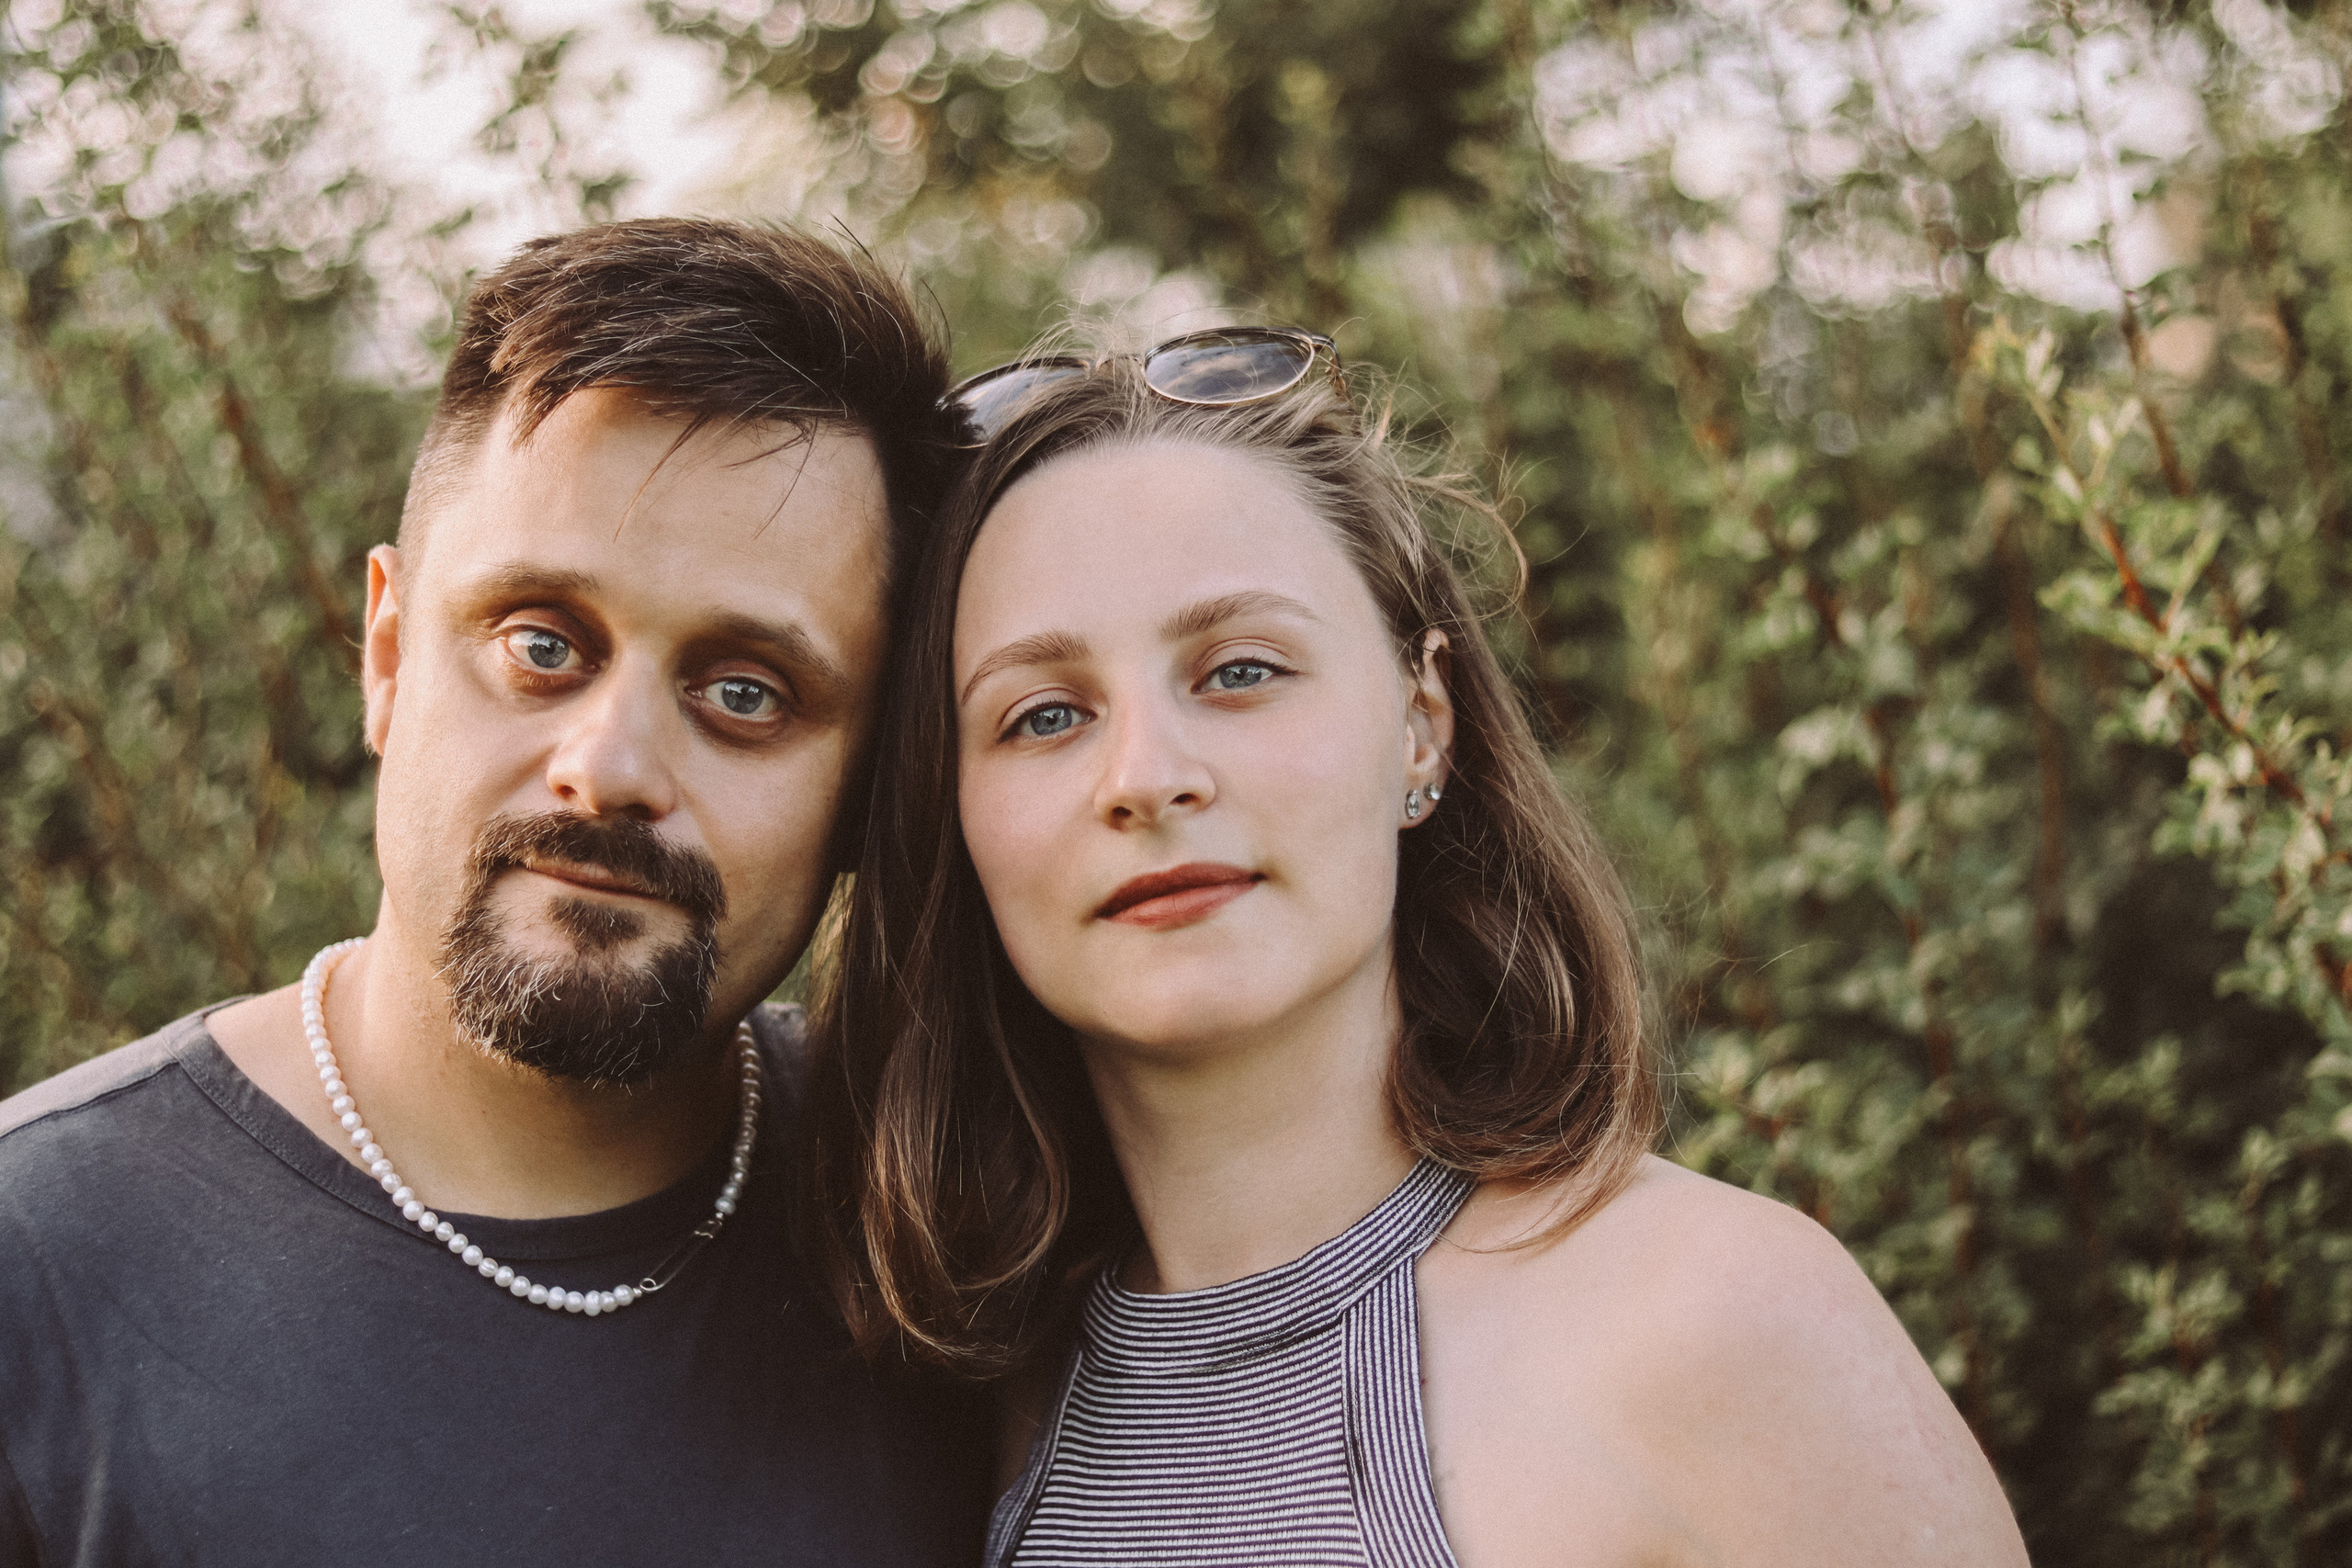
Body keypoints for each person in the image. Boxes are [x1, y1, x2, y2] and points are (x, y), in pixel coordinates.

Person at [804, 330, 2032, 1566]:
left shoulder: (1713, 1319)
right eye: (1045, 715)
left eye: (1240, 670)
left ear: (1422, 724)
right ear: (953, 816)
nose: (1147, 778)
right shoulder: (963, 1409)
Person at [0, 218, 991, 1565]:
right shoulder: (37, 1268)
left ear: (874, 783)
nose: (612, 768)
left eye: (746, 692)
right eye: (541, 644)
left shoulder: (961, 1235)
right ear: (389, 657)